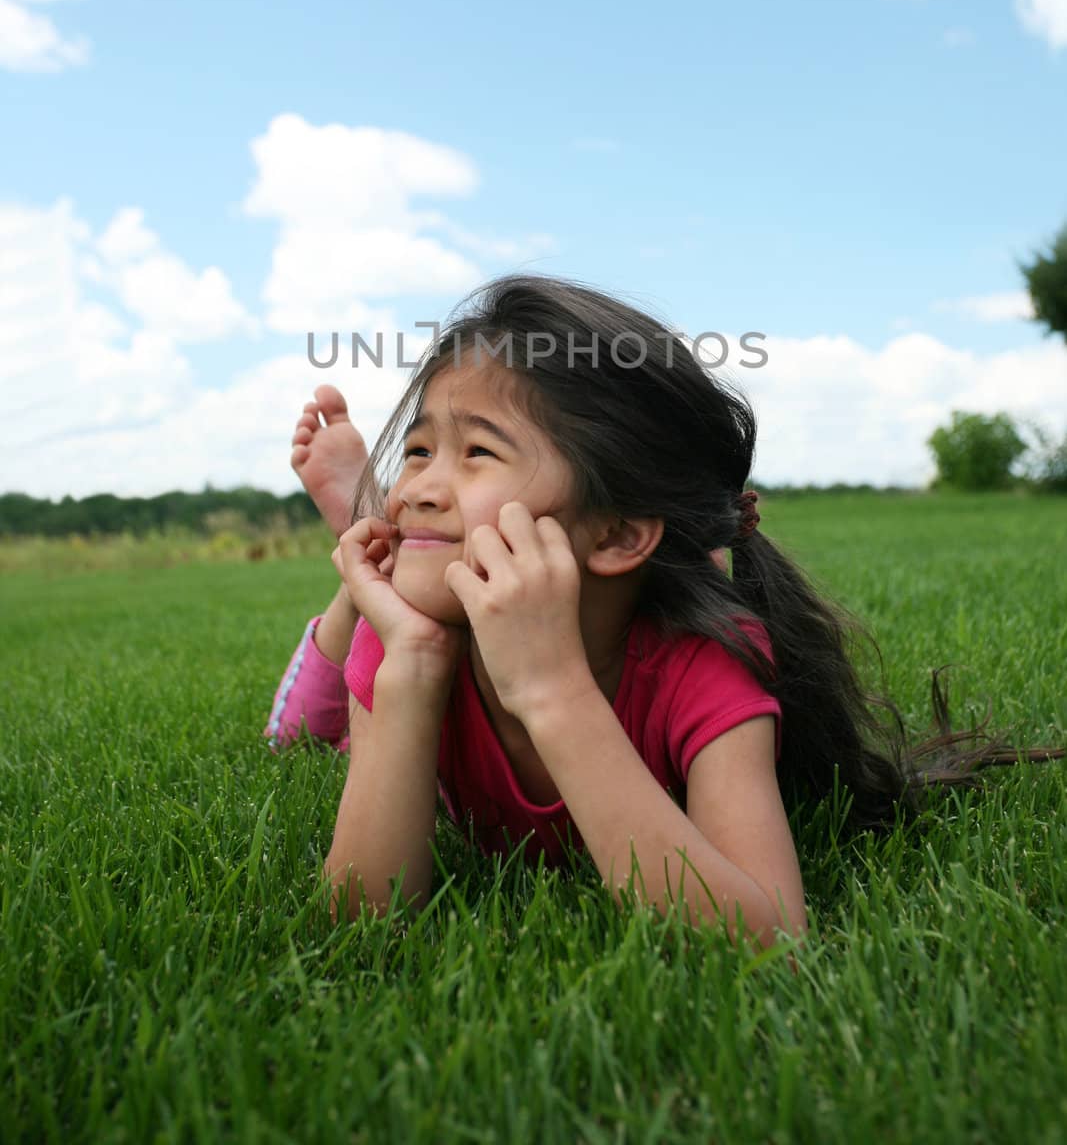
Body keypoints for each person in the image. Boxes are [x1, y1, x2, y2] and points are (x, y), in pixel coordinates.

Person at [265, 273, 1065, 948]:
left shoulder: (701, 664)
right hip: (397, 658)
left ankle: (365, 533)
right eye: (415, 450)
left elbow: (769, 939)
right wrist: (410, 661)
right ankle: (358, 540)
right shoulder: (411, 640)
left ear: (614, 534)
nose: (421, 486)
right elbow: (359, 930)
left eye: (476, 452)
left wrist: (550, 690)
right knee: (301, 735)